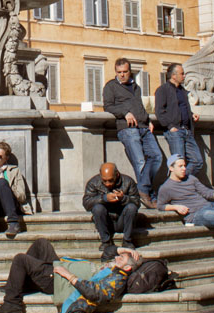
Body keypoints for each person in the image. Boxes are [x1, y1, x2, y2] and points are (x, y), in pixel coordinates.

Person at [0, 238, 139, 313]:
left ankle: (12, 304)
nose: (117, 258)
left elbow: (96, 293)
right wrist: (126, 250)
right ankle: (18, 283)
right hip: (62, 268)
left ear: (128, 268)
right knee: (42, 244)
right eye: (120, 256)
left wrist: (68, 275)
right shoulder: (114, 267)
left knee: (20, 259)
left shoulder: (117, 280)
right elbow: (108, 252)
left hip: (59, 282)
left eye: (122, 259)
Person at [102, 58, 162, 209]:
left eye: (125, 72)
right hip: (127, 128)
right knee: (140, 162)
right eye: (119, 72)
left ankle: (142, 189)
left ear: (130, 71)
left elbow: (139, 106)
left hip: (144, 127)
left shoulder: (136, 87)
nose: (122, 75)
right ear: (116, 72)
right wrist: (125, 113)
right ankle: (149, 194)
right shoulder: (110, 86)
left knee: (157, 157)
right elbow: (108, 106)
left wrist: (147, 119)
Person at [155, 63, 204, 179]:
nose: (184, 76)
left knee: (197, 161)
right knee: (178, 164)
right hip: (175, 132)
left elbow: (181, 108)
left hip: (187, 131)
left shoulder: (182, 91)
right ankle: (178, 188)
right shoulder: (163, 90)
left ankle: (181, 183)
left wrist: (191, 115)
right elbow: (159, 111)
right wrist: (170, 127)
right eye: (182, 73)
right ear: (173, 76)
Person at [83, 163, 140, 260]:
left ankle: (127, 240)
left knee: (131, 207)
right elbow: (87, 203)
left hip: (122, 219)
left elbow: (137, 202)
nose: (108, 184)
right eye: (104, 181)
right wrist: (104, 198)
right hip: (105, 220)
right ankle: (106, 241)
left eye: (111, 180)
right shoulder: (93, 183)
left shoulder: (128, 182)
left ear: (117, 174)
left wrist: (124, 198)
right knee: (97, 208)